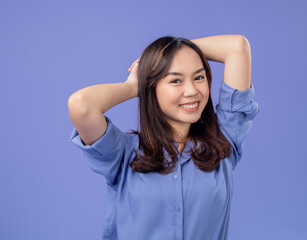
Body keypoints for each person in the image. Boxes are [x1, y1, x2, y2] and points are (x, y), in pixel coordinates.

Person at [68, 35, 260, 240]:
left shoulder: (224, 142)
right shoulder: (123, 153)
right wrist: (134, 87)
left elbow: (237, 47)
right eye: (176, 80)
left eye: (199, 77)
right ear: (151, 87)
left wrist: (170, 50)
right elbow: (81, 105)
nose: (192, 91)